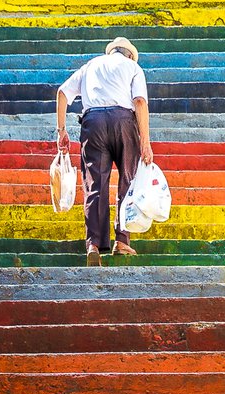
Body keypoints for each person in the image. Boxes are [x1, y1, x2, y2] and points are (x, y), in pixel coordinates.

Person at [56, 36, 154, 266]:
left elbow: (62, 92)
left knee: (95, 185)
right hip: (123, 122)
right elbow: (139, 102)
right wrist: (146, 142)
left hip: (94, 122)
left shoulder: (90, 65)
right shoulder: (133, 67)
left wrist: (61, 130)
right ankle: (122, 241)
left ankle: (94, 244)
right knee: (128, 181)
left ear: (111, 52)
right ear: (129, 54)